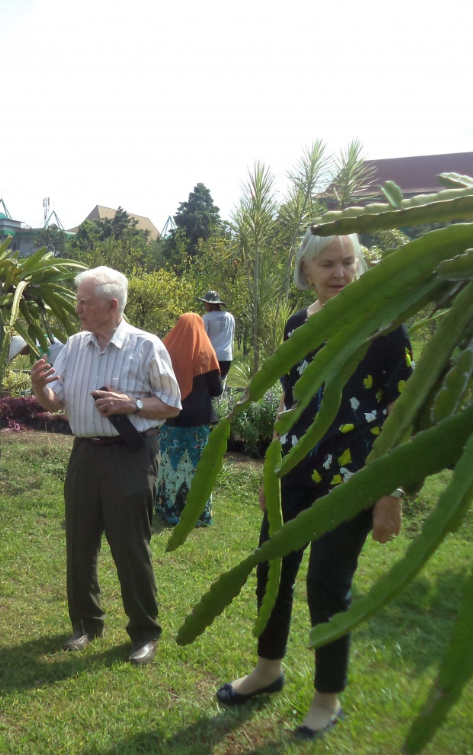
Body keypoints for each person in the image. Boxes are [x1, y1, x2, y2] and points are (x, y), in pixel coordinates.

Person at [216, 230, 413, 740]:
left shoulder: (387, 328)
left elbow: (402, 412)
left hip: (356, 477)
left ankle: (327, 698)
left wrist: (391, 493)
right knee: (272, 573)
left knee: (327, 583)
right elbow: (289, 404)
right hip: (297, 471)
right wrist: (271, 469)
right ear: (306, 271)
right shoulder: (296, 326)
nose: (342, 274)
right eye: (328, 264)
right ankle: (267, 670)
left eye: (349, 262)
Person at [31, 266, 181, 665]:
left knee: (130, 546)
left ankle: (144, 632)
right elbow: (54, 401)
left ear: (112, 305)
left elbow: (171, 403)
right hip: (85, 454)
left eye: (84, 302)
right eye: (77, 300)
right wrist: (38, 386)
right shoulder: (75, 345)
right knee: (79, 542)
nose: (77, 308)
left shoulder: (146, 346)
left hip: (130, 456)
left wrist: (131, 404)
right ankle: (85, 623)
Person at [155, 313, 222, 526]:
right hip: (199, 422)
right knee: (198, 467)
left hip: (171, 417)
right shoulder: (206, 352)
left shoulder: (166, 350)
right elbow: (216, 389)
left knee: (169, 464)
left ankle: (168, 508)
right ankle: (197, 513)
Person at [199, 290, 235, 379]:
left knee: (211, 387)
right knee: (220, 385)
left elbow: (203, 339)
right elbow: (232, 337)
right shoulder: (230, 317)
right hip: (227, 357)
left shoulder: (206, 318)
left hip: (213, 358)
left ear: (209, 304)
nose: (204, 306)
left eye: (205, 303)